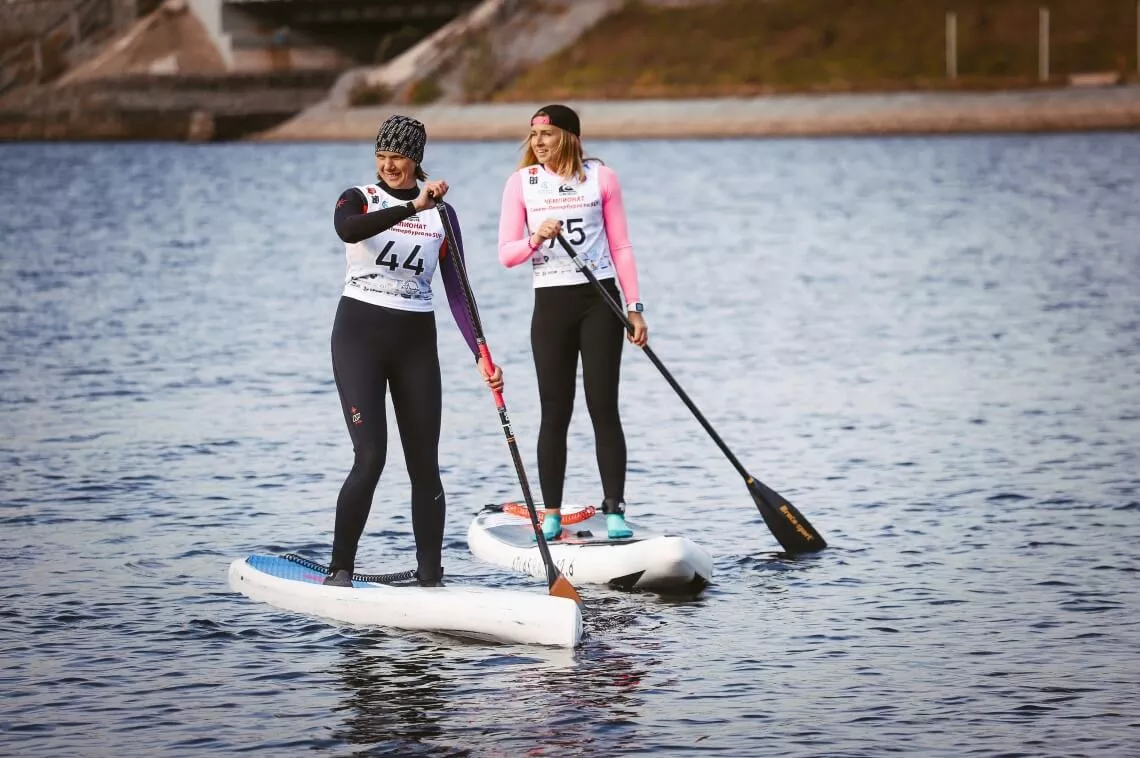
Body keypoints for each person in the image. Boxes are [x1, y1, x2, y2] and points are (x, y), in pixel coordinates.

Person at [325, 114, 502, 587]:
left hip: (416, 345)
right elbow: (348, 230)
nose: (389, 166)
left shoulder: (443, 216)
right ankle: (340, 569)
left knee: (425, 463)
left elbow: (459, 292)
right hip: (359, 338)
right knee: (371, 457)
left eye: (398, 157)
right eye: (382, 157)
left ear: (416, 159)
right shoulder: (358, 197)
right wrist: (412, 206)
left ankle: (430, 576)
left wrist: (481, 352)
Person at [496, 104, 648, 542]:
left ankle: (615, 509)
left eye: (548, 135)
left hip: (599, 301)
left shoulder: (601, 178)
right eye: (533, 137)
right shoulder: (521, 184)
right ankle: (552, 514)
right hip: (551, 305)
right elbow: (507, 254)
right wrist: (536, 237)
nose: (538, 143)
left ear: (571, 137)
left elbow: (621, 247)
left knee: (604, 408)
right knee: (554, 412)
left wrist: (634, 307)